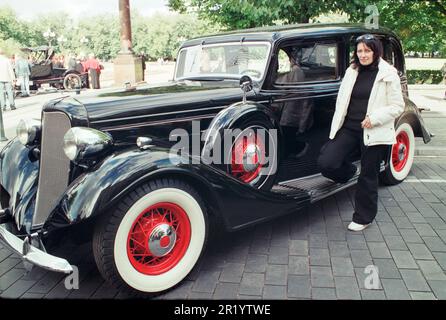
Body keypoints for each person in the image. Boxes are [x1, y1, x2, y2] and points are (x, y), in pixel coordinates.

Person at [317, 34, 404, 232]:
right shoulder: (352, 70)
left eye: (367, 50)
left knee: (369, 175)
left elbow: (397, 106)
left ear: (376, 51)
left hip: (374, 130)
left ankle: (364, 217)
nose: (363, 55)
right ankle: (349, 172)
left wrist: (375, 119)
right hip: (349, 127)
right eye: (360, 51)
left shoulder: (388, 74)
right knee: (327, 162)